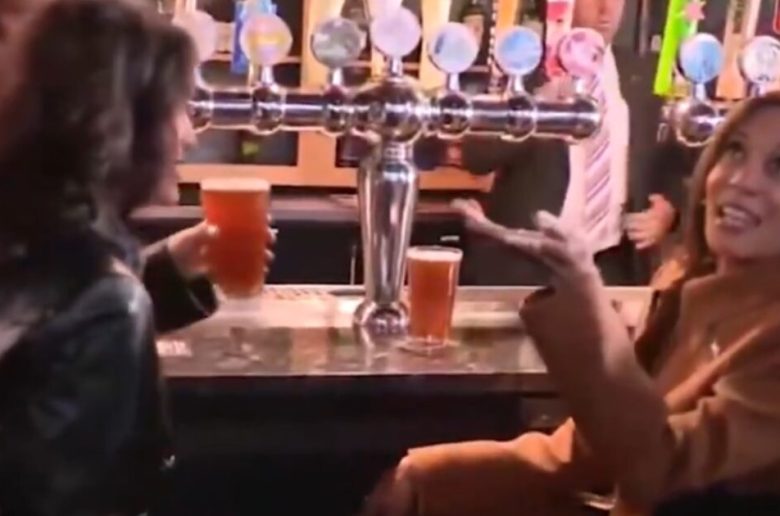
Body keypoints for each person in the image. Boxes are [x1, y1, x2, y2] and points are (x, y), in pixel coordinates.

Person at [362, 92, 780, 515]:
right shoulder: (685, 287)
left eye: (778, 167)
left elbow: (659, 473)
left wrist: (588, 303)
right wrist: (428, 476)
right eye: (736, 150)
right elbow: (590, 452)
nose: (741, 180)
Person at [0, 0, 268, 514]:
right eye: (179, 108)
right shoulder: (107, 303)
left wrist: (161, 269)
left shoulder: (26, 233)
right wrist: (125, 290)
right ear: (127, 123)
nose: (190, 134)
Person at [458, 0, 631, 286]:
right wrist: (537, 105)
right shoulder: (524, 62)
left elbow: (668, 157)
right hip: (528, 264)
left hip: (609, 266)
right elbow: (475, 156)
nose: (606, 8)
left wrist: (667, 211)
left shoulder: (643, 72)